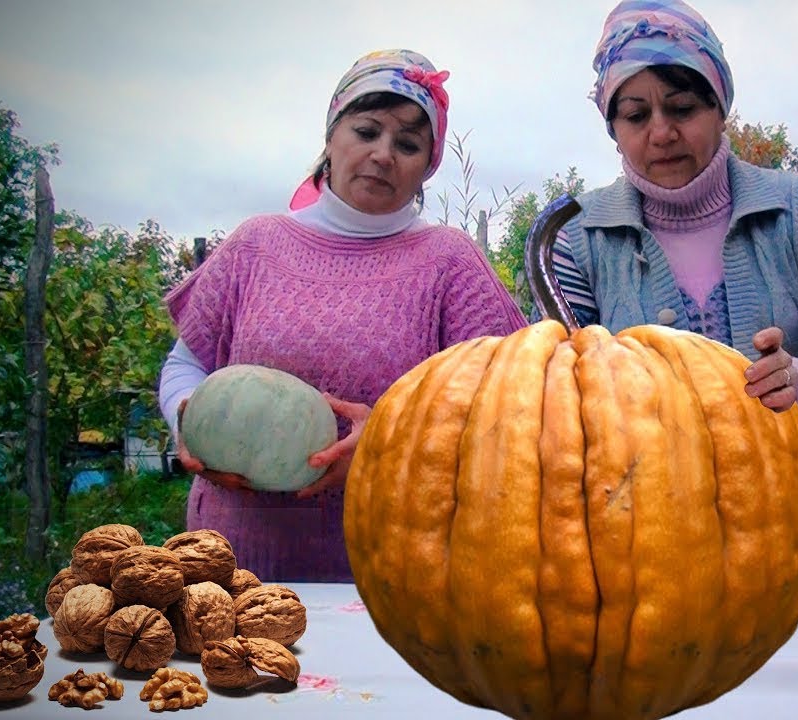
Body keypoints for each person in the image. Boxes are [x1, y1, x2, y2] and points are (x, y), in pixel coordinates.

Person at [547, 0, 798, 581]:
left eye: (682, 107)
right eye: (635, 116)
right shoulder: (578, 240)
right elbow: (555, 391)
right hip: (639, 547)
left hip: (793, 535)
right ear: (613, 129)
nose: (661, 133)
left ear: (720, 107)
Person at [158, 49, 528, 583]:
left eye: (407, 144)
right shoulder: (255, 245)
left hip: (395, 582)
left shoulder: (451, 263)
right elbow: (183, 367)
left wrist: (385, 445)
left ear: (428, 164)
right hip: (232, 569)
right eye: (366, 131)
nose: (383, 154)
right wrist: (192, 418)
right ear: (331, 138)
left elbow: (509, 408)